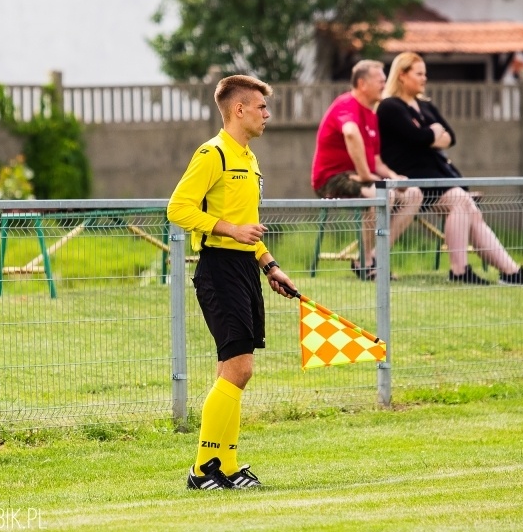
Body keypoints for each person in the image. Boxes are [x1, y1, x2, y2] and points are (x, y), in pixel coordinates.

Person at [167, 74, 296, 490]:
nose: (267, 114)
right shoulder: (212, 154)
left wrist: (269, 264)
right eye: (261, 107)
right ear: (238, 109)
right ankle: (203, 469)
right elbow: (178, 209)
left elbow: (249, 231)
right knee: (238, 368)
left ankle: (225, 466)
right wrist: (227, 229)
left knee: (235, 370)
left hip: (244, 269)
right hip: (218, 269)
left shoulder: (250, 158)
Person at [377, 52, 523, 287]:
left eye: (425, 74)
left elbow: (450, 137)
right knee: (461, 201)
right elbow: (417, 137)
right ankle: (460, 270)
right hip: (411, 178)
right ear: (402, 75)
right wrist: (432, 133)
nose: (424, 78)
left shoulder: (425, 105)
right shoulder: (390, 106)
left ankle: (510, 271)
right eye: (419, 73)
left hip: (438, 174)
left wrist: (430, 134)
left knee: (472, 211)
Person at [311, 59, 423, 280]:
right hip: (331, 179)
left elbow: (378, 162)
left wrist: (394, 177)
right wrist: (365, 175)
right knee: (381, 196)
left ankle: (375, 256)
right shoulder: (346, 105)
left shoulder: (372, 115)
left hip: (364, 178)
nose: (384, 84)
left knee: (414, 194)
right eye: (380, 80)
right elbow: (351, 133)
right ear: (362, 83)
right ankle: (365, 262)